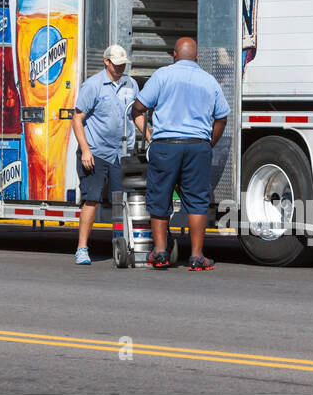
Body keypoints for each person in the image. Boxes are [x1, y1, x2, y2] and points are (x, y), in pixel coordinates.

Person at [130, 37, 228, 271]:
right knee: (197, 202)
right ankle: (196, 257)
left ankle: (160, 252)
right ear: (196, 57)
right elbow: (222, 116)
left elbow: (138, 108)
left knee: (160, 197)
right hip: (198, 146)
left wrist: (150, 135)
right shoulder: (209, 81)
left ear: (174, 55)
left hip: (166, 145)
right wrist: (209, 142)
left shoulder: (162, 75)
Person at [70, 44, 139, 265]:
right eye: (117, 65)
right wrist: (86, 150)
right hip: (96, 152)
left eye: (123, 65)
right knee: (92, 199)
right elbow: (77, 119)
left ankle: (120, 243)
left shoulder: (131, 84)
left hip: (122, 153)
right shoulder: (93, 85)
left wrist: (149, 135)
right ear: (106, 62)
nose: (120, 69)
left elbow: (135, 114)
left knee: (120, 201)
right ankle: (82, 248)